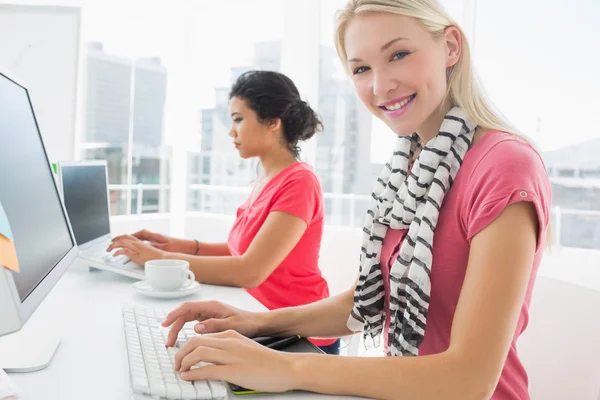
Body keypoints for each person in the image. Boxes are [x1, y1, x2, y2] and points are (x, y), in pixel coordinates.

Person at [160, 0, 553, 399]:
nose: (380, 86)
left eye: (398, 55)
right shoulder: (413, 163)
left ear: (450, 46)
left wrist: (286, 366)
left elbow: (468, 380)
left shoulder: (505, 164)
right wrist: (253, 322)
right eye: (361, 68)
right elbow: (365, 301)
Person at [108, 70, 340, 355]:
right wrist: (183, 247)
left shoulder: (300, 182)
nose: (231, 132)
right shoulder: (265, 179)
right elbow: (243, 253)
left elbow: (250, 271)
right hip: (261, 321)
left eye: (238, 119)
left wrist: (158, 259)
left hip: (300, 337)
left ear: (273, 122)